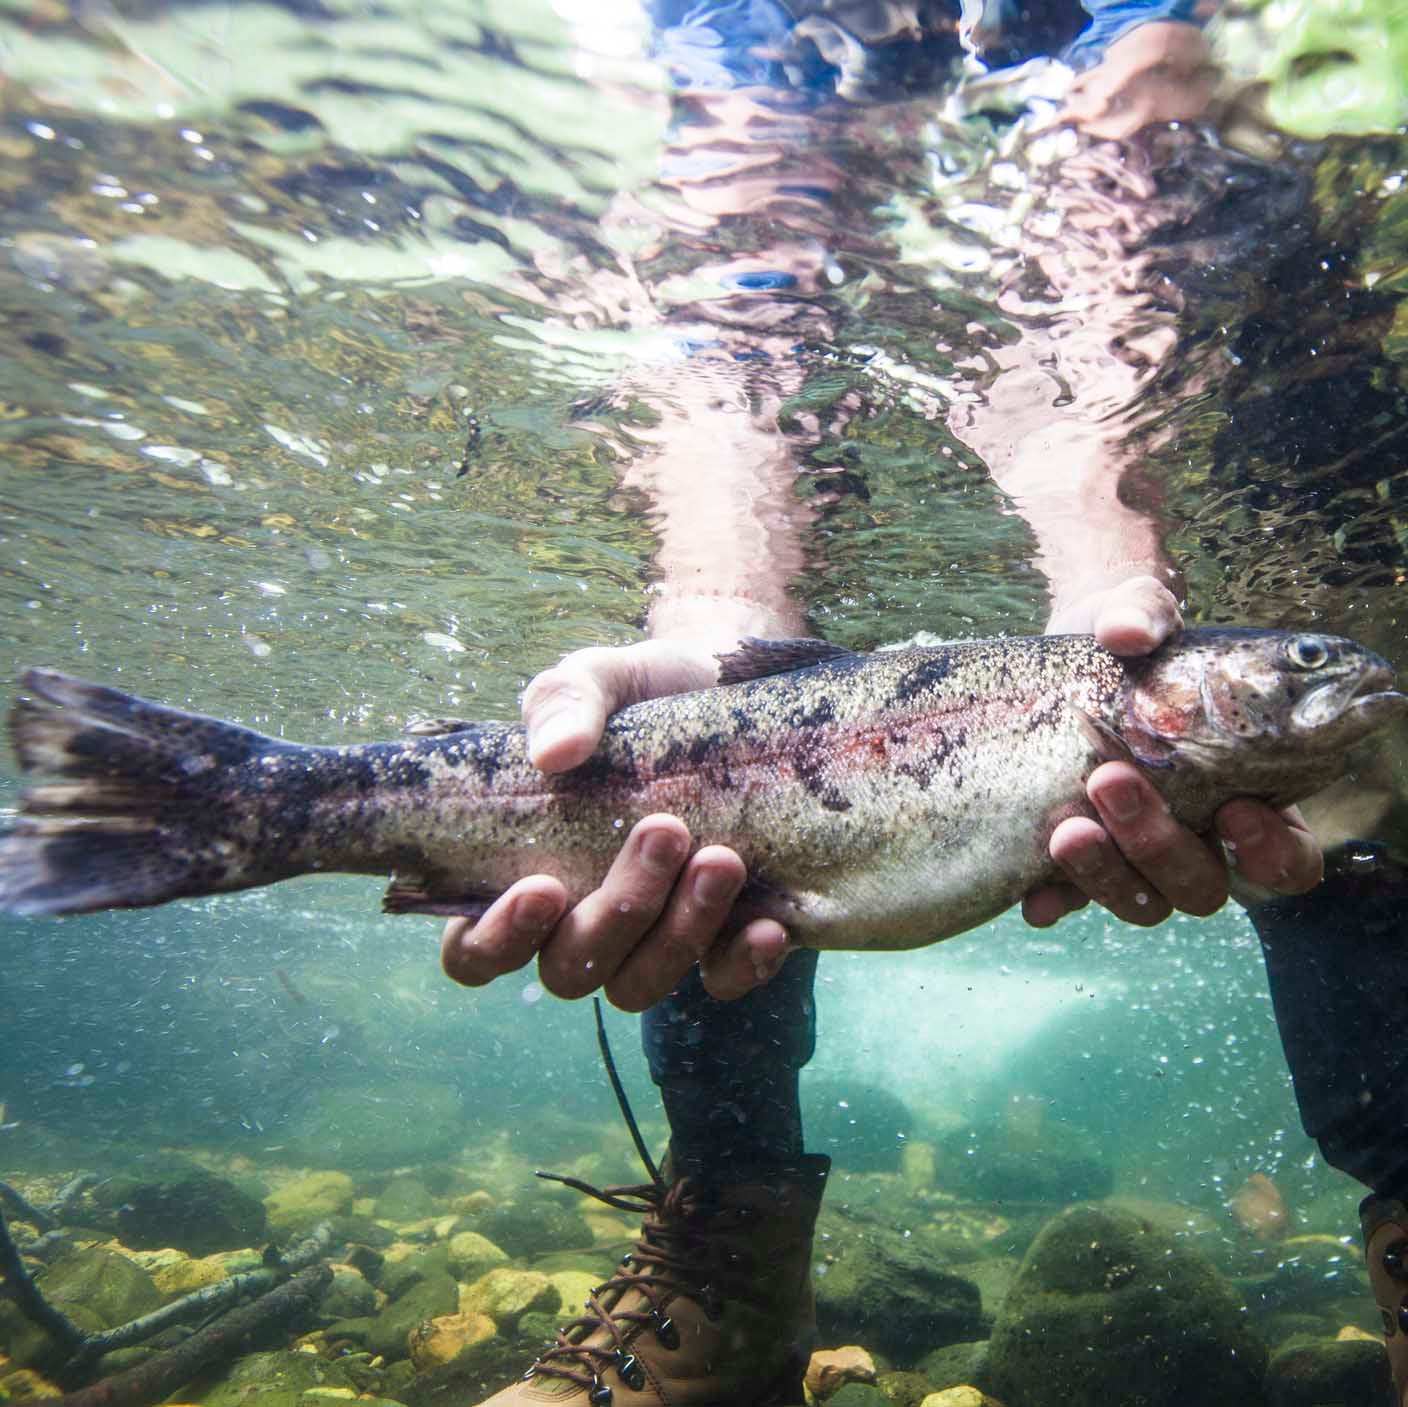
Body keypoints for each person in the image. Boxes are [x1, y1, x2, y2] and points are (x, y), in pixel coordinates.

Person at [440, 5, 1408, 1404]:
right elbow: (734, 300)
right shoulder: (743, 48)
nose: (1321, 672)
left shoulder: (1154, 61)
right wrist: (717, 616)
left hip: (1159, 226)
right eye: (1296, 661)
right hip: (801, 222)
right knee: (713, 820)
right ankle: (727, 1252)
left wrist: (1111, 568)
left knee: (1351, 790)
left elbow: (1147, 119)